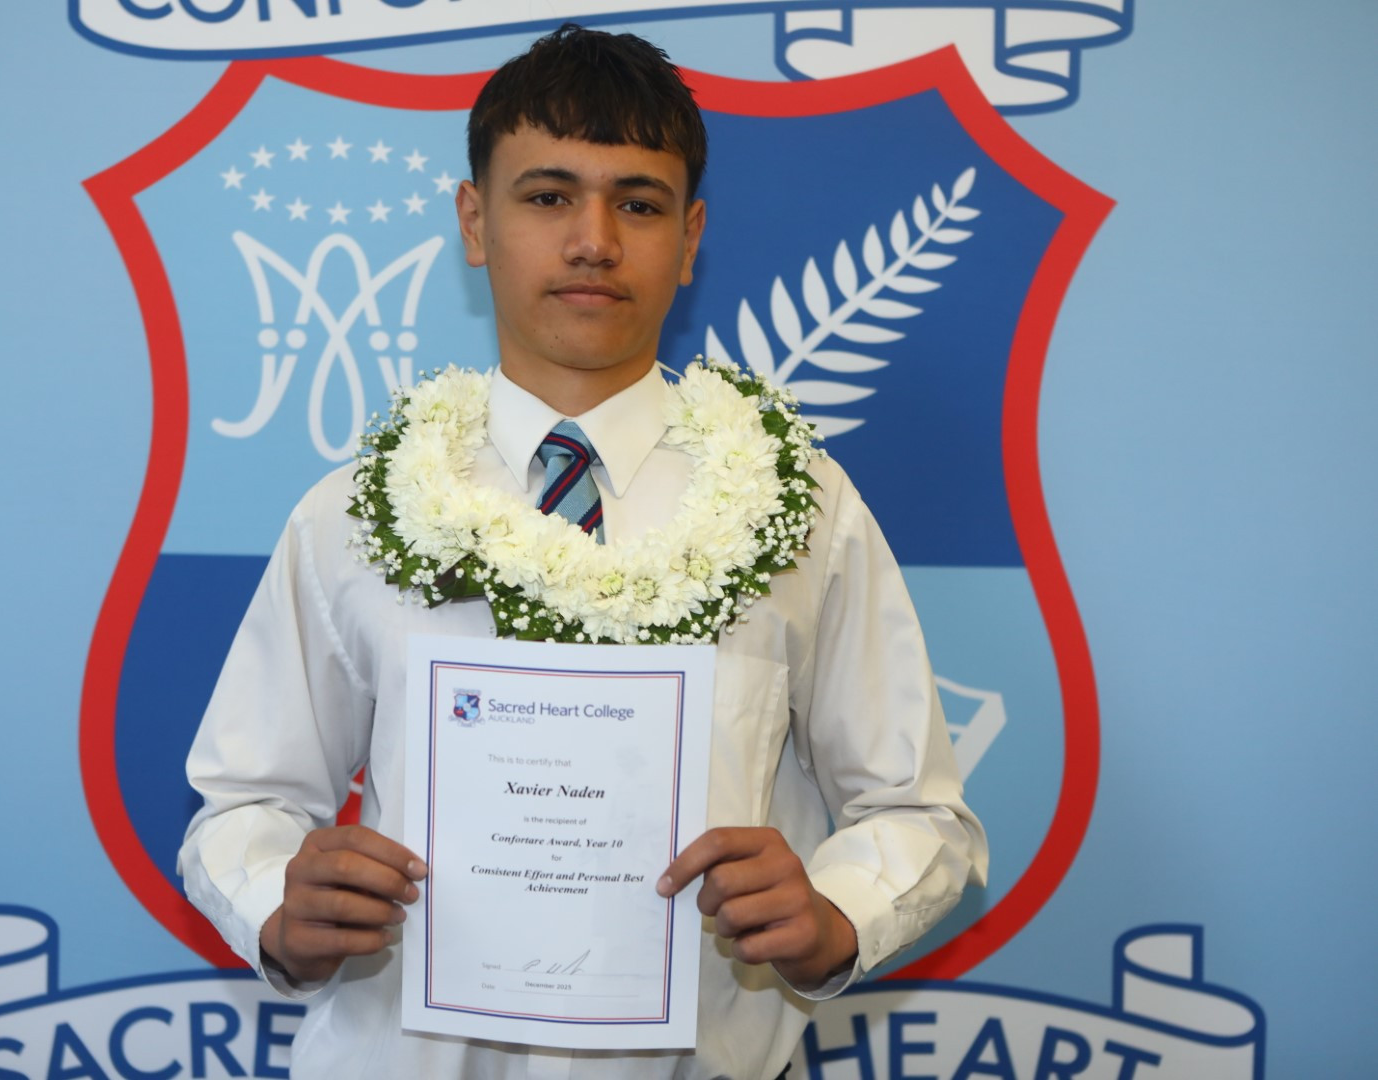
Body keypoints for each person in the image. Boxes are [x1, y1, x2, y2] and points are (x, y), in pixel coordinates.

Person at [180, 23, 986, 1079]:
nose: (594, 240)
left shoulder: (802, 509)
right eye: (548, 196)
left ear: (691, 238)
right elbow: (245, 803)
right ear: (475, 222)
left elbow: (919, 812)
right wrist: (278, 908)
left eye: (638, 204)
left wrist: (839, 915)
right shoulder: (353, 514)